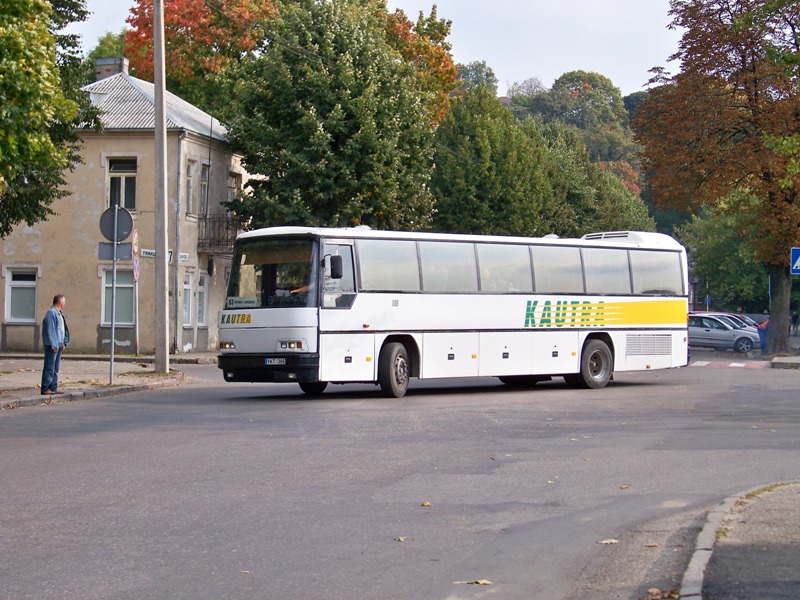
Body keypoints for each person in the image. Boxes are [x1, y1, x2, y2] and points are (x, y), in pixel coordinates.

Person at [41, 294, 68, 395]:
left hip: (59, 344)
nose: (65, 303)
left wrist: (63, 343)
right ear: (60, 302)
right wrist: (54, 345)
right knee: (49, 367)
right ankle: (45, 388)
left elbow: (62, 329)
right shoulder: (51, 313)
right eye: (64, 301)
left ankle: (53, 387)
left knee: (55, 368)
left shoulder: (59, 314)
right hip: (52, 346)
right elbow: (51, 330)